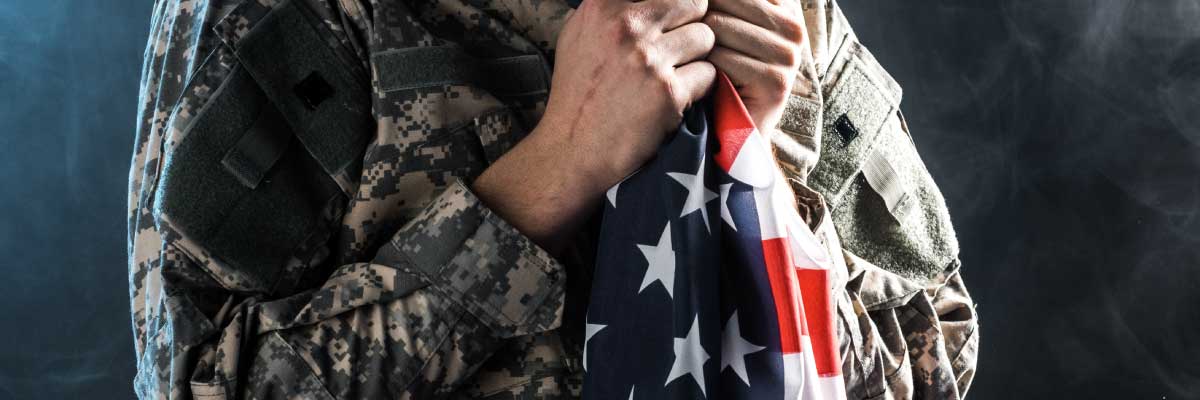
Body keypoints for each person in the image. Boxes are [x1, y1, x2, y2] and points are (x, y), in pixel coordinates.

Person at [128, 0, 978, 398]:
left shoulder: (783, 15)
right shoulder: (307, 14)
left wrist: (769, 171)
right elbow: (200, 388)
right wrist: (553, 174)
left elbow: (939, 363)